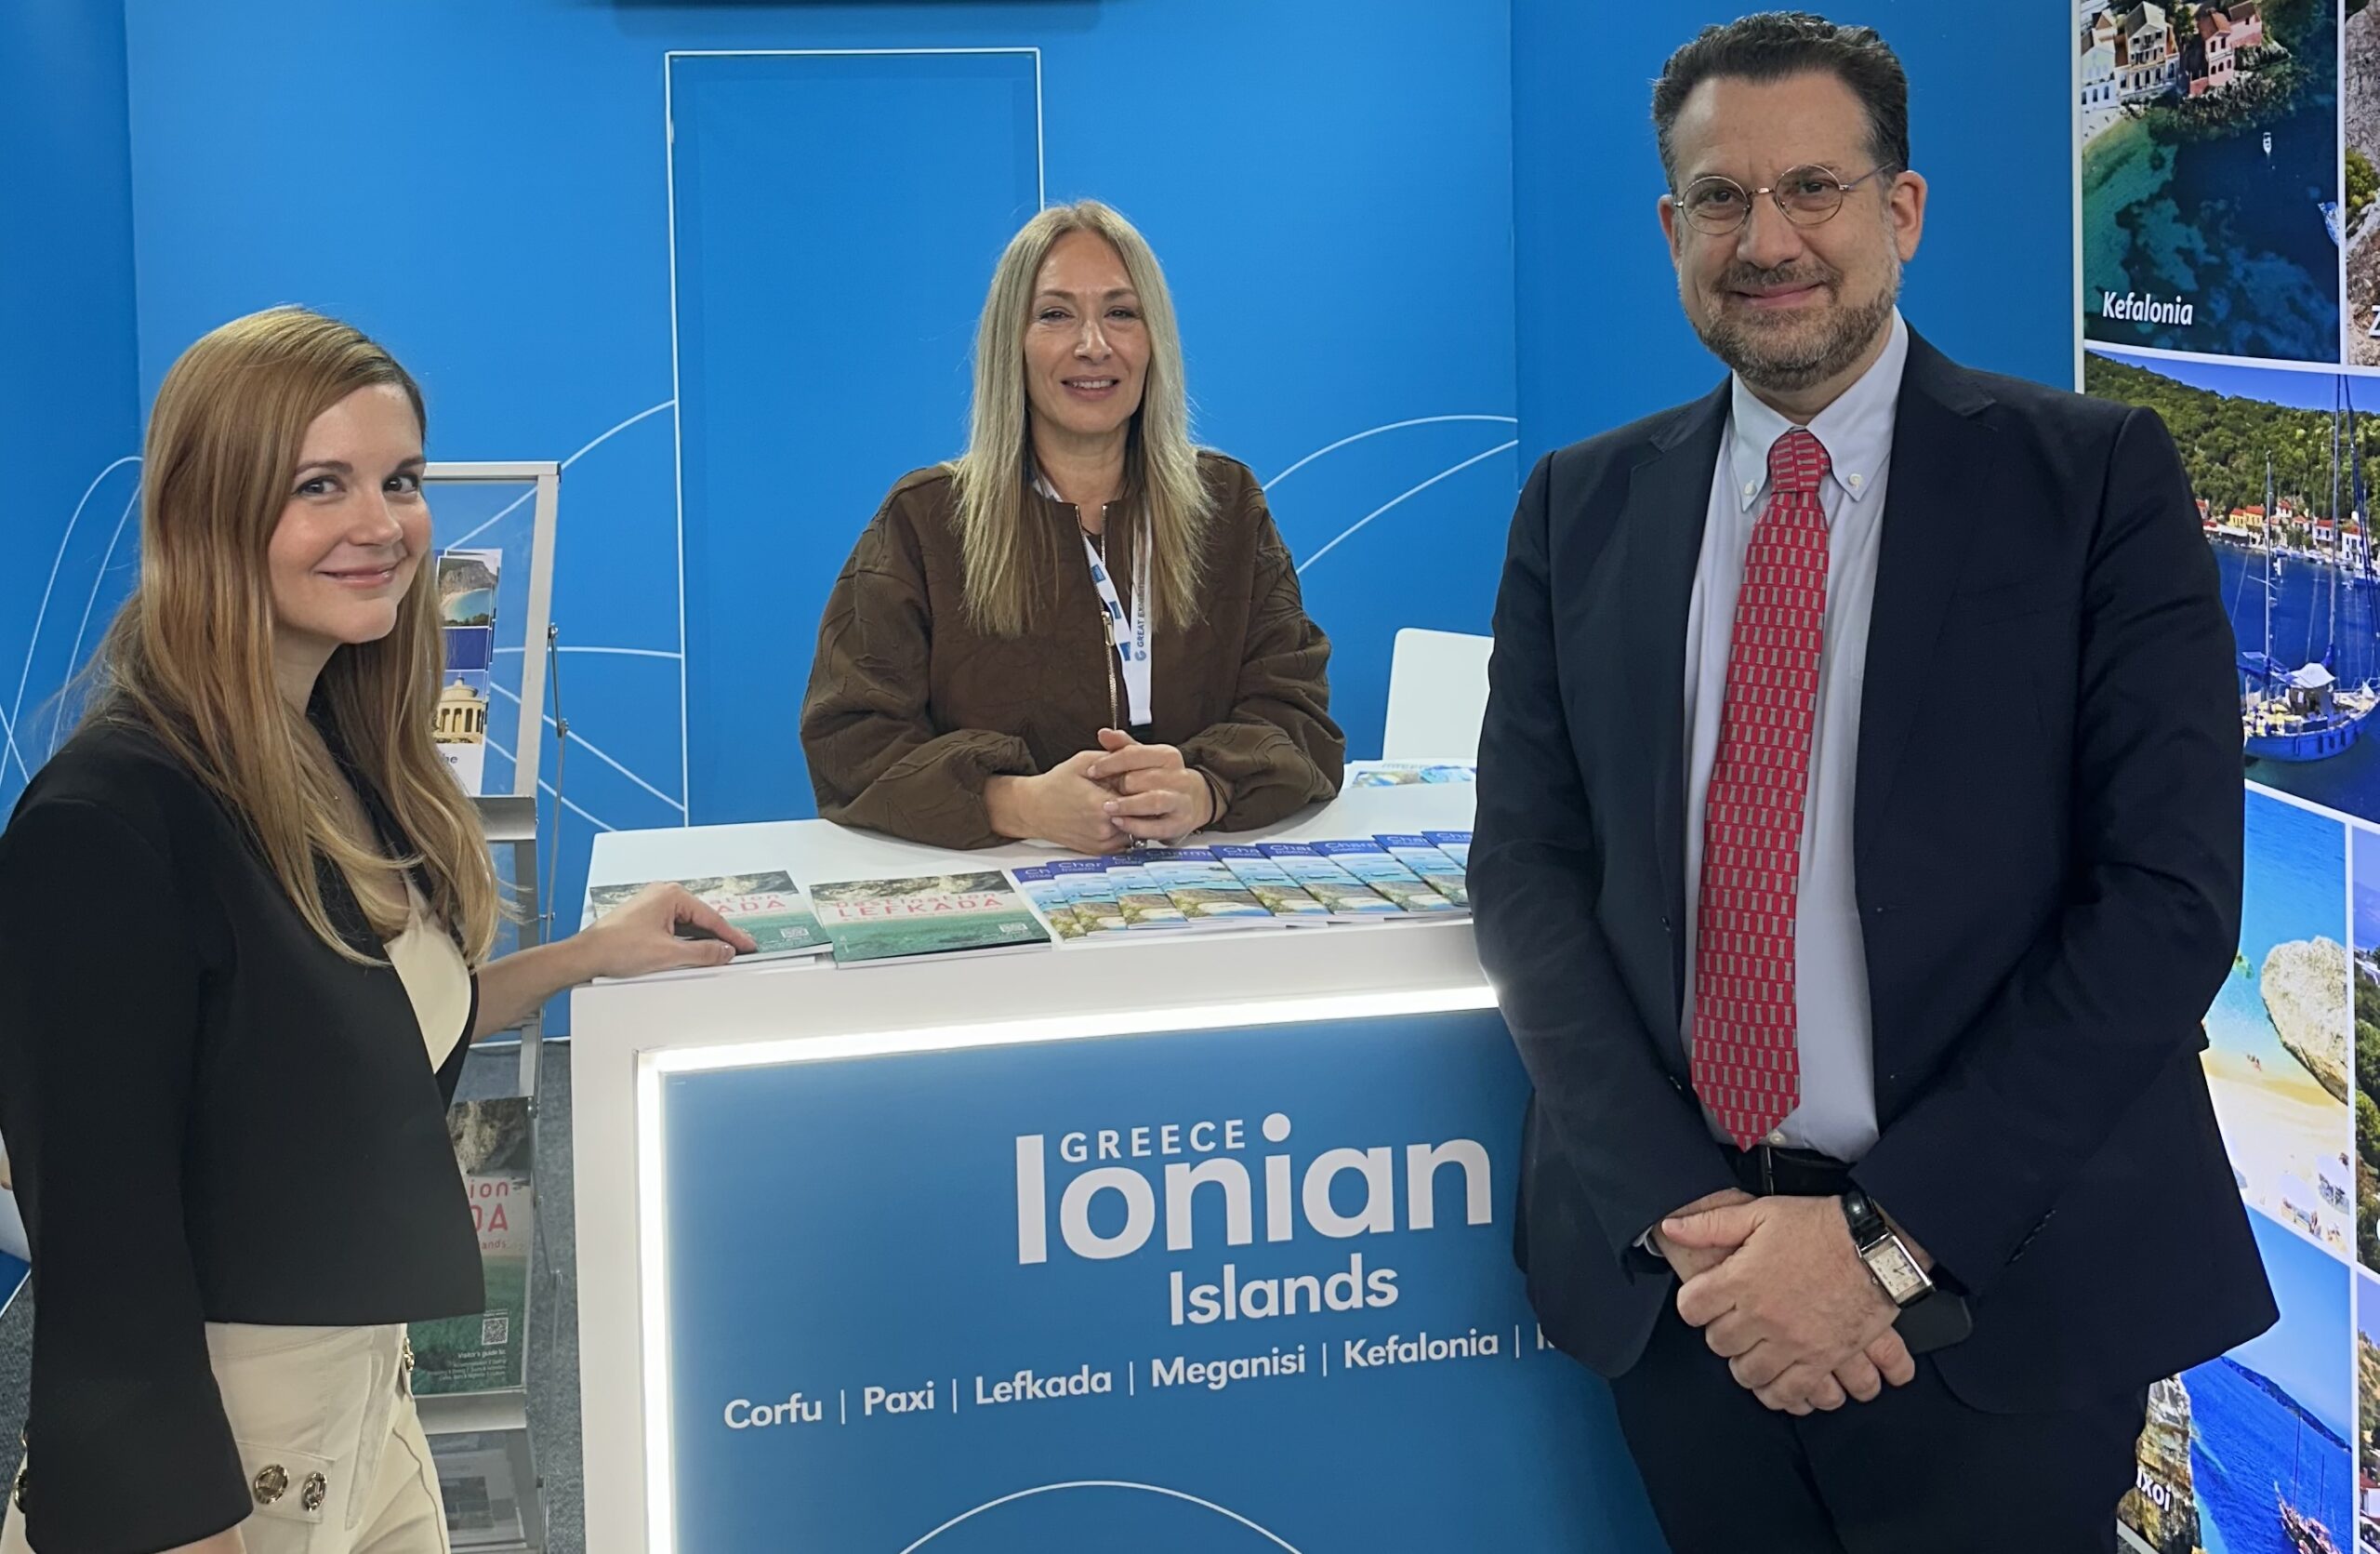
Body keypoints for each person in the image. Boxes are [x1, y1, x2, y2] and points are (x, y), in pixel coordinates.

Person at [1470, 15, 2275, 1551]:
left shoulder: (2095, 480)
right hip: (1693, 1300)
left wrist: (1883, 1244)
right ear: (1672, 228)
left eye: (1813, 190)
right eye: (1722, 198)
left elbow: (2166, 903)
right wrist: (1691, 1222)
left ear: (1901, 210)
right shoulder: (1580, 506)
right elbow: (1523, 876)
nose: (1767, 241)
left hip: (1999, 1293)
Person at [0, 308, 756, 1554]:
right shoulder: (108, 821)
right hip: (215, 1462)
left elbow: (345, 1037)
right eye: (320, 485)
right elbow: (104, 1258)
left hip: (371, 1411)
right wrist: (189, 1527)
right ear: (208, 513)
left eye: (400, 479)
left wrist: (586, 956)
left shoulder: (328, 750)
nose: (383, 523)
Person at [800, 200, 1343, 853]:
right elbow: (850, 739)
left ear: (1154, 341)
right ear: (1013, 343)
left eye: (1121, 313)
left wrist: (1205, 787)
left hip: (1193, 881)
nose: (1093, 345)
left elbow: (1298, 712)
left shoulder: (1227, 505)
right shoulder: (925, 520)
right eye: (1056, 315)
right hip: (1009, 887)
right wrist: (1017, 804)